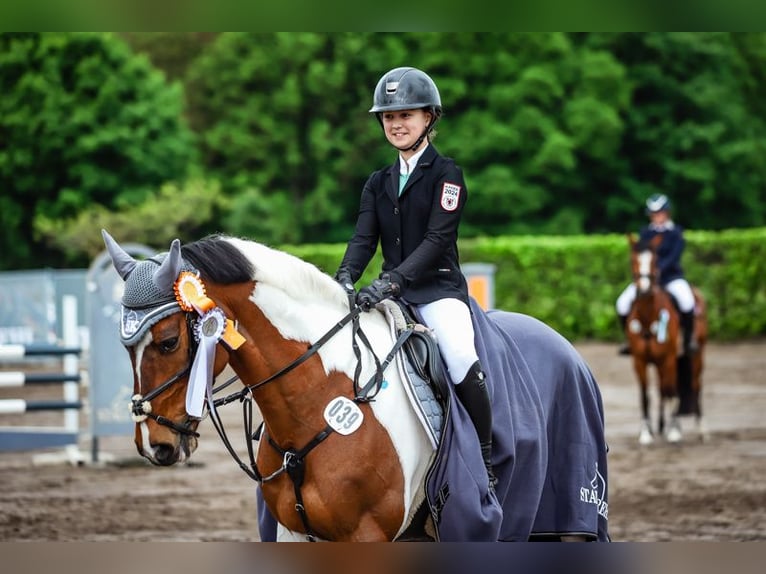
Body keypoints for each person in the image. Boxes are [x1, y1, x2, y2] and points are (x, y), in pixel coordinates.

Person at [334, 66, 495, 488]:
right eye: (389, 117)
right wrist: (345, 279)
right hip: (396, 296)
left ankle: (484, 459)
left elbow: (437, 241)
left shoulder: (447, 175)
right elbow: (363, 239)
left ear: (429, 119)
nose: (396, 124)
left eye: (406, 115)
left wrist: (389, 283)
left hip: (437, 291)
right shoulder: (377, 182)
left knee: (459, 356)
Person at [615, 193, 698, 356]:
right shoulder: (645, 233)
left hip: (671, 277)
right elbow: (641, 256)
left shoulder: (676, 232)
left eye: (660, 213)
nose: (657, 217)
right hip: (647, 279)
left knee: (687, 301)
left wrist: (659, 270)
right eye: (654, 214)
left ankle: (688, 340)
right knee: (622, 303)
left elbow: (674, 256)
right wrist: (645, 274)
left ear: (667, 213)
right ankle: (629, 340)